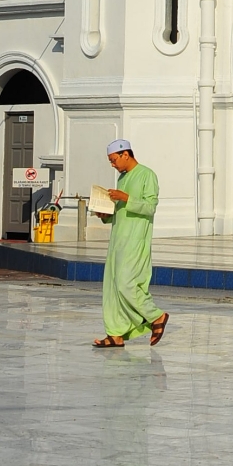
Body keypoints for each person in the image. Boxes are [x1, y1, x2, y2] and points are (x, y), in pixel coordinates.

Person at [92, 141, 169, 349]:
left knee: (126, 283)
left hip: (135, 239)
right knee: (112, 286)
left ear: (125, 154)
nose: (113, 165)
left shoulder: (147, 175)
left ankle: (156, 316)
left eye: (114, 160)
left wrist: (126, 198)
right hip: (118, 240)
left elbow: (150, 207)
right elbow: (120, 211)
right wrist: (105, 214)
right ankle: (115, 334)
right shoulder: (123, 178)